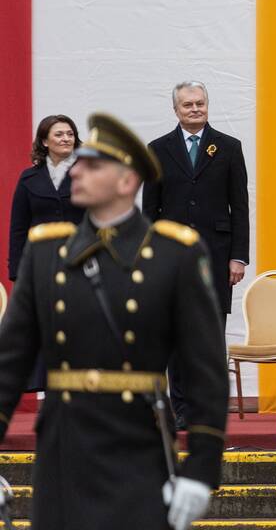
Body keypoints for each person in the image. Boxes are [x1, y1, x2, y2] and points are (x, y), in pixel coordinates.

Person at [0, 113, 228, 530]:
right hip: (63, 451)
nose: (78, 170)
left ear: (126, 182)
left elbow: (205, 369)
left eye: (93, 164)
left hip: (137, 449)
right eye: (79, 161)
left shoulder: (174, 255)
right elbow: (9, 363)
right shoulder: (46, 252)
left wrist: (200, 469)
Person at [142, 81, 249, 425]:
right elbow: (149, 211)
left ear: (207, 106)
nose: (194, 109)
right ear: (175, 109)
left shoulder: (229, 148)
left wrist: (238, 256)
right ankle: (183, 410)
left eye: (200, 103)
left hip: (216, 257)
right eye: (187, 105)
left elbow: (240, 208)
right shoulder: (158, 149)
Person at [8, 115, 85, 282]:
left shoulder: (88, 174)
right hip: (40, 264)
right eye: (59, 135)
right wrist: (16, 270)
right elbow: (18, 228)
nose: (66, 139)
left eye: (70, 134)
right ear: (44, 142)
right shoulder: (28, 178)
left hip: (81, 261)